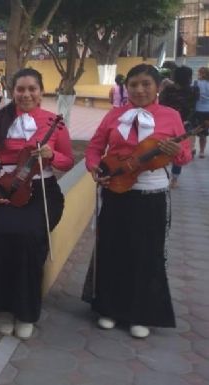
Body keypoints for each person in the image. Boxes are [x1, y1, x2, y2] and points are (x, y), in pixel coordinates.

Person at [83, 64, 191, 339]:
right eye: (134, 85)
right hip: (116, 190)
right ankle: (108, 308)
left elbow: (184, 157)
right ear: (126, 87)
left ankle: (141, 314)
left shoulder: (171, 117)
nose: (140, 90)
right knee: (112, 248)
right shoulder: (114, 115)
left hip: (150, 195)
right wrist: (94, 167)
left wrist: (177, 151)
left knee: (147, 253)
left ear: (157, 88)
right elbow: (95, 148)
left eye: (146, 84)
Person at [0, 68, 74, 339]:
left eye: (32, 88)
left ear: (41, 91)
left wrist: (51, 154)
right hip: (5, 188)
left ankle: (26, 311)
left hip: (42, 190)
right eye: (20, 89)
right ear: (13, 92)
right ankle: (3, 308)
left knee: (30, 240)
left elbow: (68, 160)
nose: (26, 94)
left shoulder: (54, 121)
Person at [158, 66, 198, 188]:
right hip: (183, 124)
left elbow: (161, 104)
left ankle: (161, 172)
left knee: (162, 147)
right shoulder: (194, 90)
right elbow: (193, 107)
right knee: (178, 150)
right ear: (189, 78)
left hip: (166, 123)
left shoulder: (168, 89)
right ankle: (174, 179)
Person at [194, 67, 209, 158]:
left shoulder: (195, 83)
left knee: (193, 131)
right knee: (204, 132)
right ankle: (202, 151)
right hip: (207, 110)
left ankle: (192, 149)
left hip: (197, 109)